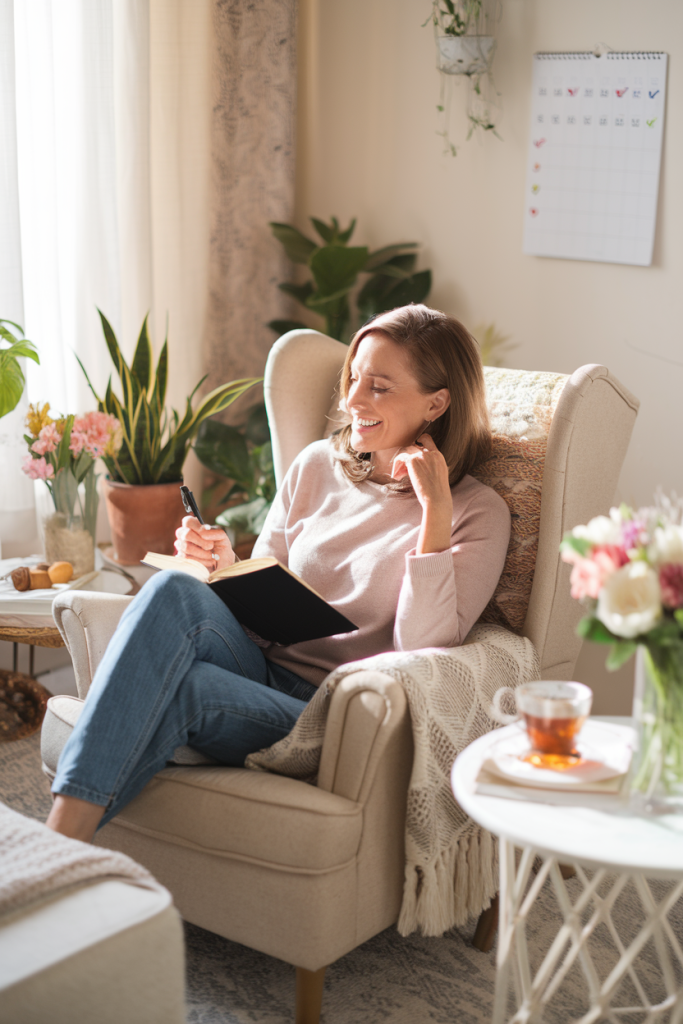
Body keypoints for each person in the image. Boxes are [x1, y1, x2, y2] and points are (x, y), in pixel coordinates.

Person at [46, 304, 511, 842]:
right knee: (175, 587)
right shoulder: (316, 465)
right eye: (353, 378)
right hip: (258, 663)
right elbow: (266, 604)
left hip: (328, 714)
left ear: (437, 402)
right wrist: (226, 567)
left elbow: (424, 648)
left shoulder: (477, 512)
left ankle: (60, 843)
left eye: (379, 387)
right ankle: (64, 847)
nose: (352, 401)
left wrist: (434, 514)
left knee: (185, 689)